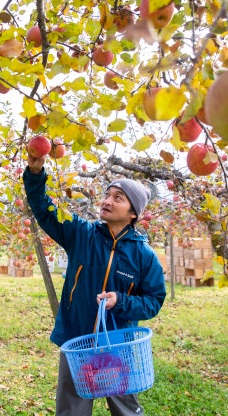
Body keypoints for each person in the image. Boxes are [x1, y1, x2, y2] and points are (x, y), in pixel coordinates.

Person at [23, 152, 166, 416]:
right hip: (77, 341)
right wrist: (35, 175)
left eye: (118, 198)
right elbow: (44, 209)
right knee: (72, 411)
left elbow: (154, 300)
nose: (107, 201)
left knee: (125, 409)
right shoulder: (82, 234)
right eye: (108, 194)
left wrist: (120, 301)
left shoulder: (144, 256)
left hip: (117, 345)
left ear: (133, 213)